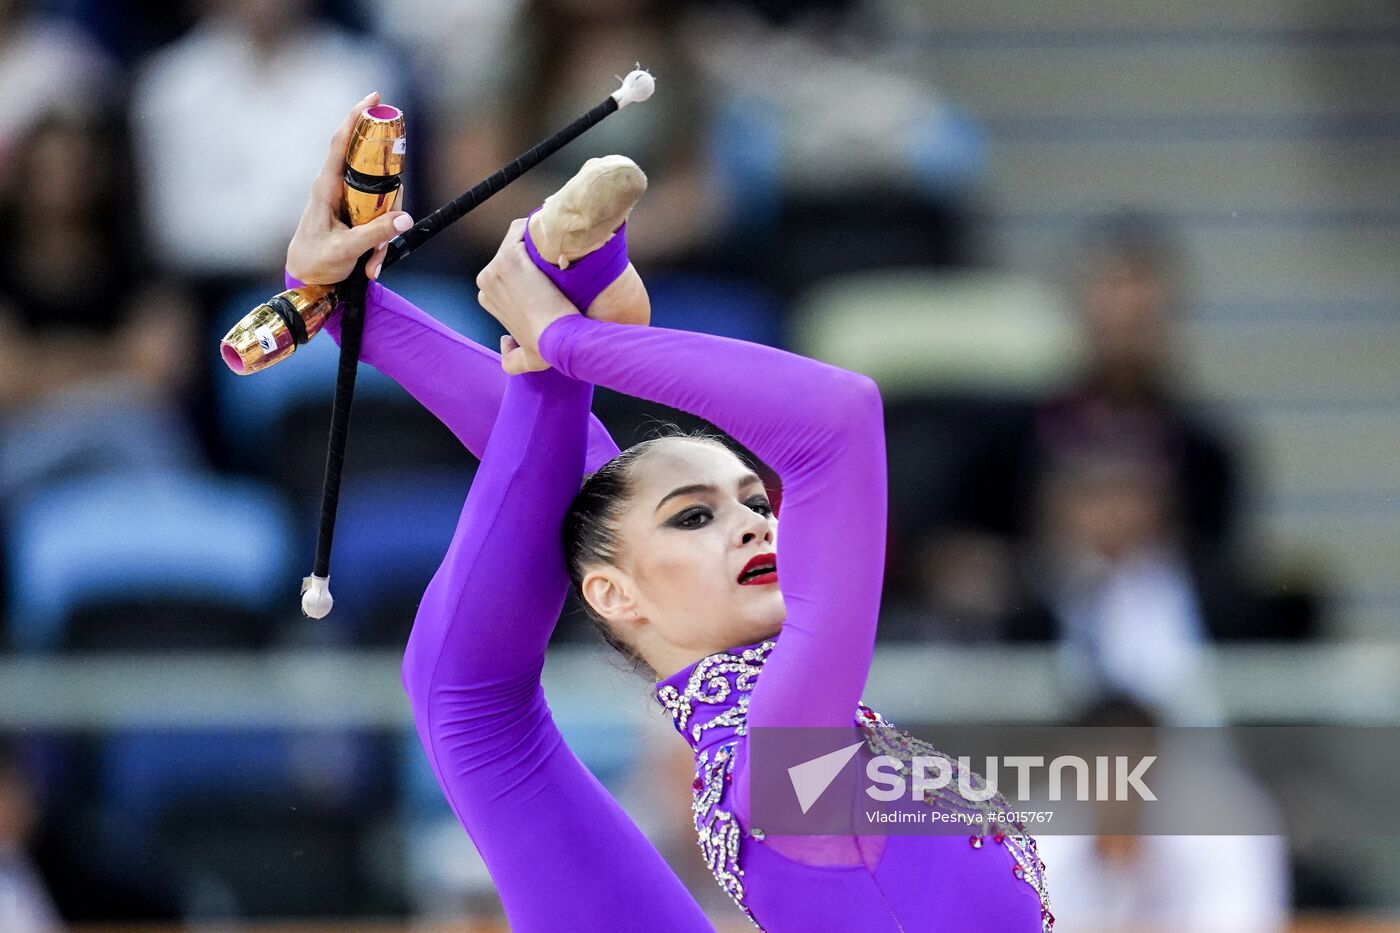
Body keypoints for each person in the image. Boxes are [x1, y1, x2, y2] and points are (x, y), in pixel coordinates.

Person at [286, 96, 1051, 932]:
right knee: (472, 711)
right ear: (612, 593)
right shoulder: (785, 757)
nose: (756, 523)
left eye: (757, 501)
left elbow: (579, 478)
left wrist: (368, 310)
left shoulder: (791, 753)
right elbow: (836, 419)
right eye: (695, 517)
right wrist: (567, 340)